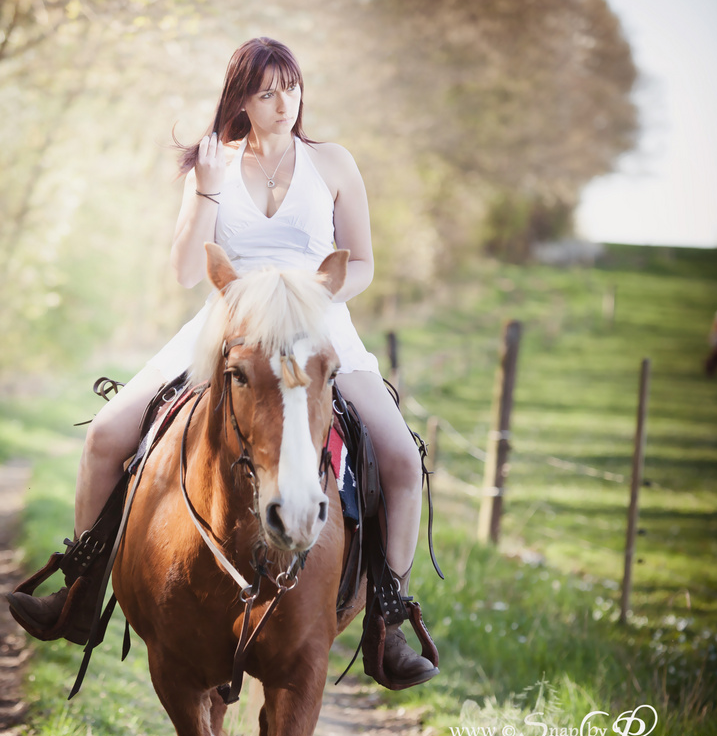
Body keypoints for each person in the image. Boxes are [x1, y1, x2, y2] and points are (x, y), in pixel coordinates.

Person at [7, 37, 438, 689]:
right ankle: (82, 589)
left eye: (291, 87)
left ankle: (387, 616)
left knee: (403, 460)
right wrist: (206, 193)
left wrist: (305, 298)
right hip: (227, 328)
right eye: (267, 91)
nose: (283, 102)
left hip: (318, 328)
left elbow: (365, 263)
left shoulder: (335, 164)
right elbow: (185, 272)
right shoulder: (214, 166)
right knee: (104, 438)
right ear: (240, 97)